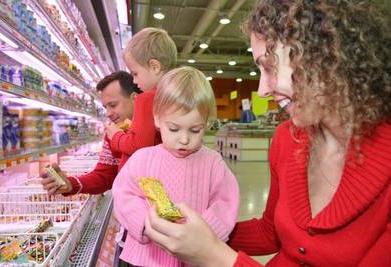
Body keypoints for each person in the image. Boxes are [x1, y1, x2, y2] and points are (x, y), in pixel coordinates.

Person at [143, 1, 391, 266]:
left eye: (269, 66)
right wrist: (201, 230)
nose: (262, 89)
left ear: (326, 56)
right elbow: (270, 231)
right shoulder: (287, 140)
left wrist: (215, 255)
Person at [112, 66, 240, 266]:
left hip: (195, 258)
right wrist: (145, 223)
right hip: (148, 258)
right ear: (157, 118)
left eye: (195, 130)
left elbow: (225, 203)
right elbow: (123, 194)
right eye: (173, 128)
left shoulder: (213, 163)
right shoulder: (143, 159)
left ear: (205, 124)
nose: (184, 139)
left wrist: (203, 236)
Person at [40, 71, 140, 195]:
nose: (108, 113)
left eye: (113, 105)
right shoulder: (112, 134)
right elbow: (104, 175)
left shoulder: (159, 126)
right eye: (105, 107)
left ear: (135, 99)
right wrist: (71, 184)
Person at [105, 27, 177, 171]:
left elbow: (139, 145)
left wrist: (116, 136)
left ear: (154, 66)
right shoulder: (175, 96)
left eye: (135, 73)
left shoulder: (147, 98)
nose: (134, 81)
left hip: (139, 180)